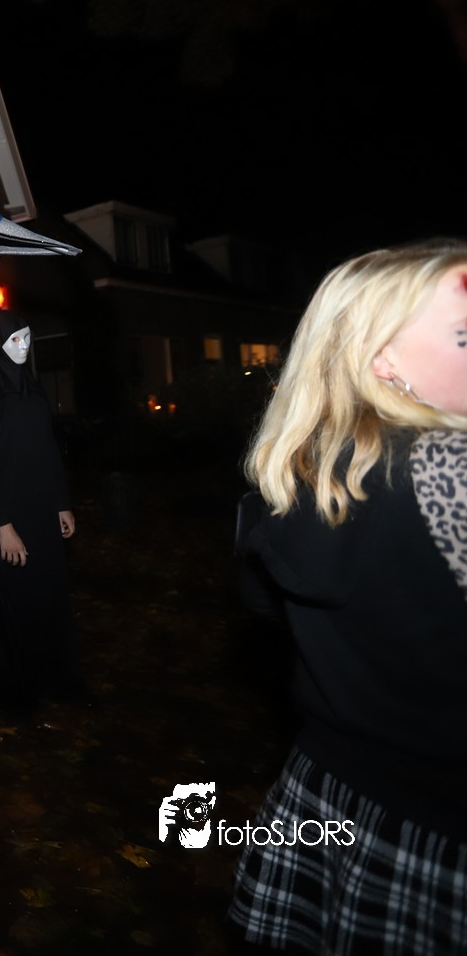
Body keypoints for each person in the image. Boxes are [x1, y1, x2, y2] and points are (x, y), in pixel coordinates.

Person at [229, 240, 467, 954]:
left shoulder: (298, 473)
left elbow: (264, 605)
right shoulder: (450, 471)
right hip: (438, 817)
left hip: (332, 788)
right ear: (382, 359)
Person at [0, 309, 79, 715]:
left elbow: (47, 449)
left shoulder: (31, 389)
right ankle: (15, 685)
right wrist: (2, 526)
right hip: (0, 514)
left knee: (46, 593)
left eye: (27, 337)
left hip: (39, 509)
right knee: (12, 600)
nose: (23, 347)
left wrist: (61, 502)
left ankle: (52, 678)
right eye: (14, 340)